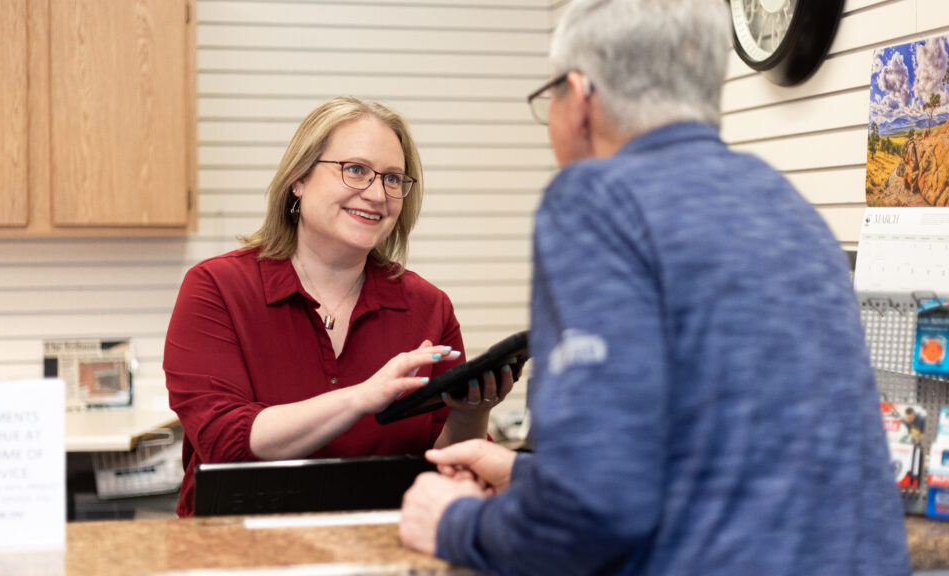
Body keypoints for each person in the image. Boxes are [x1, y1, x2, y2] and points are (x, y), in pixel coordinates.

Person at [398, 1, 911, 574]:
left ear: (581, 96)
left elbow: (591, 513)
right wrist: (525, 475)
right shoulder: (786, 207)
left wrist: (454, 522)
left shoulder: (596, 198)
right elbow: (727, 462)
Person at [164, 96, 512, 518]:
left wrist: (470, 413)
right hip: (240, 551)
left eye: (393, 179)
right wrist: (360, 398)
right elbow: (225, 440)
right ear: (299, 179)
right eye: (356, 170)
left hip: (384, 545)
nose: (377, 193)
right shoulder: (217, 288)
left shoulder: (428, 307)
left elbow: (446, 468)